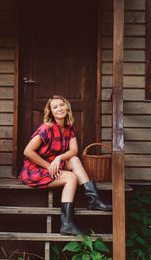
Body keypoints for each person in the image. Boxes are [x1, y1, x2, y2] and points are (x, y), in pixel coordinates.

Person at [20, 95, 112, 236]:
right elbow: (27, 151)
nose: (59, 109)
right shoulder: (46, 128)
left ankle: (94, 200)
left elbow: (74, 150)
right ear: (50, 112)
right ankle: (67, 225)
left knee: (74, 159)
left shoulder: (70, 128)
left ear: (67, 107)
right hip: (36, 170)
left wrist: (59, 157)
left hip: (53, 164)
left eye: (61, 105)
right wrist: (49, 166)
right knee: (71, 178)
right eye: (55, 107)